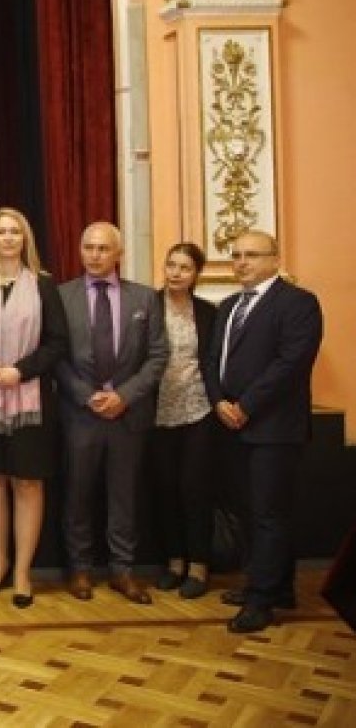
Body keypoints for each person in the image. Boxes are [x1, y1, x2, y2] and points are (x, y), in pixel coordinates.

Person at [204, 230, 323, 633]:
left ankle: (260, 600)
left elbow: (292, 363)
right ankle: (276, 586)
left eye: (252, 255)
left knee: (269, 514)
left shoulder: (298, 302)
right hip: (230, 425)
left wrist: (246, 406)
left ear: (274, 258)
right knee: (249, 512)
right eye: (236, 255)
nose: (242, 262)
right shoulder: (228, 306)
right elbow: (212, 360)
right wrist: (219, 400)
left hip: (274, 428)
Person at [56, 221, 168, 604]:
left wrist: (125, 395)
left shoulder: (145, 298)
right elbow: (55, 356)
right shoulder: (62, 296)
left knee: (125, 497)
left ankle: (123, 570)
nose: (95, 255)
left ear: (119, 253)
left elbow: (158, 356)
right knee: (78, 495)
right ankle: (80, 569)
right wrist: (87, 396)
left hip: (128, 415)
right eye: (89, 247)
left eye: (103, 248)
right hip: (80, 415)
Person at [0, 208, 67, 609]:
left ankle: (22, 571)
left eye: (15, 232)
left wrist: (20, 371)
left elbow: (57, 343)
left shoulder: (43, 285)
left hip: (31, 399)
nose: (7, 238)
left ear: (25, 239)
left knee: (27, 483)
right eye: (1, 232)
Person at [151, 241, 218, 599]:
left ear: (196, 274)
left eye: (185, 268)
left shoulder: (207, 312)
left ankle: (199, 566)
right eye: (171, 265)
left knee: (195, 489)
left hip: (198, 409)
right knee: (165, 489)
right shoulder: (147, 306)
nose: (176, 273)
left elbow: (214, 361)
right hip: (157, 412)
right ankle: (175, 562)